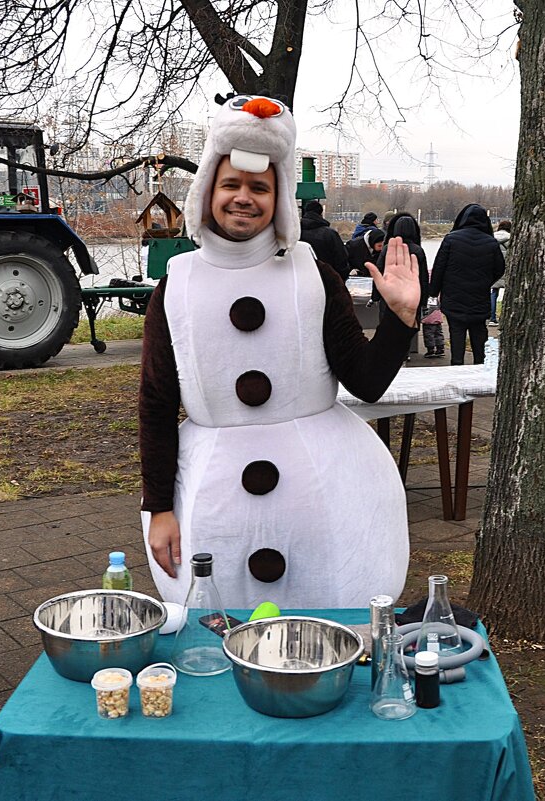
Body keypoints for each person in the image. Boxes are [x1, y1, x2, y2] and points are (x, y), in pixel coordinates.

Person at [138, 95, 419, 609]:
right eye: (231, 184)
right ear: (207, 191)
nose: (243, 198)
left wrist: (401, 319)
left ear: (278, 196)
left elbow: (367, 382)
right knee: (218, 635)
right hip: (216, 504)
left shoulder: (314, 276)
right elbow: (156, 404)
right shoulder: (173, 287)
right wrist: (159, 506)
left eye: (259, 187)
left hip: (319, 498)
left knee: (326, 631)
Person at [428, 204, 505, 365]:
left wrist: (433, 291)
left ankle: (457, 369)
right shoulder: (490, 243)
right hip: (479, 298)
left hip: (454, 298)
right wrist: (485, 281)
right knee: (479, 339)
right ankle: (480, 373)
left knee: (456, 336)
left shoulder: (451, 239)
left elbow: (439, 267)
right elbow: (500, 269)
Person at [299, 199, 349, 280]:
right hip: (326, 281)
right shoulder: (330, 234)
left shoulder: (295, 234)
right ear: (321, 213)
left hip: (301, 280)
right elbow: (341, 260)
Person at [490, 220, 512, 326]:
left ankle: (492, 318)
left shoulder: (491, 237)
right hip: (507, 268)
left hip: (494, 268)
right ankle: (505, 318)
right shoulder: (511, 238)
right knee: (508, 294)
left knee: (494, 293)